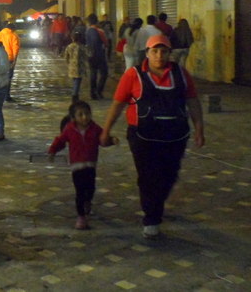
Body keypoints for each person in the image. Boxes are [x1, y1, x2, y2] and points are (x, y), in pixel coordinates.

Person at [100, 34, 205, 239]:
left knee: (170, 174)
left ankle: (156, 203)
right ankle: (152, 217)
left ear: (169, 53)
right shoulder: (133, 75)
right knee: (148, 176)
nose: (159, 55)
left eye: (163, 51)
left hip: (175, 136)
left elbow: (193, 101)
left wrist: (199, 129)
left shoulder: (181, 74)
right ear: (147, 53)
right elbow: (118, 103)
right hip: (143, 137)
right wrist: (106, 130)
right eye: (154, 51)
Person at [48, 101, 116, 230]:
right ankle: (81, 217)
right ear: (74, 117)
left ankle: (88, 201)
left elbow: (103, 139)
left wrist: (111, 140)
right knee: (79, 191)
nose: (84, 117)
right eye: (80, 114)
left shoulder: (95, 128)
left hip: (90, 164)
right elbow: (61, 140)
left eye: (87, 114)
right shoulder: (69, 129)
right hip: (77, 166)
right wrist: (53, 151)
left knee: (90, 188)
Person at [85, 13, 109, 100]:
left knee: (93, 73)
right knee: (104, 73)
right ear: (96, 21)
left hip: (90, 55)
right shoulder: (99, 31)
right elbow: (106, 43)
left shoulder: (87, 31)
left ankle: (93, 92)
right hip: (99, 55)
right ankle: (99, 90)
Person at [0, 22, 20, 102]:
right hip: (8, 59)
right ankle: (6, 96)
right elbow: (15, 49)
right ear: (13, 29)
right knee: (8, 78)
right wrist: (14, 61)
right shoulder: (13, 36)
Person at [64, 32, 88, 102]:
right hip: (80, 66)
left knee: (75, 81)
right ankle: (75, 95)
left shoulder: (69, 46)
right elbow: (86, 55)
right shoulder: (81, 47)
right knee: (78, 81)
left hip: (72, 66)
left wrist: (68, 63)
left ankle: (75, 93)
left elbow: (66, 57)